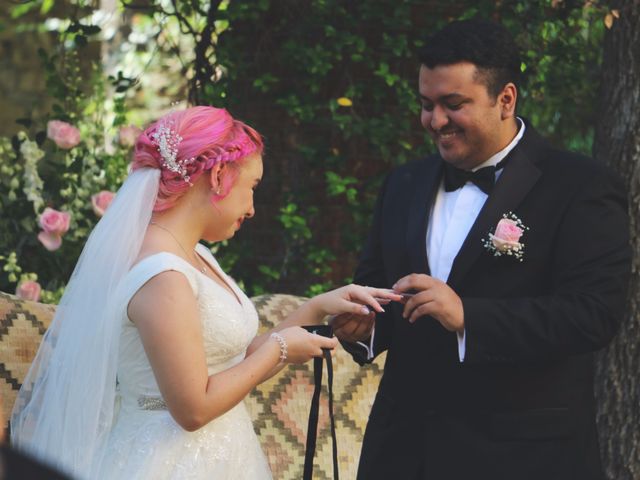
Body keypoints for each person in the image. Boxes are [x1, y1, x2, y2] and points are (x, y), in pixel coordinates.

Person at [10, 106, 399, 480]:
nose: (251, 209)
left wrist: (316, 308)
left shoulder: (195, 255)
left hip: (222, 456)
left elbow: (233, 363)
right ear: (217, 178)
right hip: (169, 463)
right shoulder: (161, 274)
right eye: (252, 187)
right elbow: (192, 408)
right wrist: (280, 348)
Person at [333, 19, 631, 480]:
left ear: (505, 99)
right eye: (426, 105)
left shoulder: (580, 186)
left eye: (453, 104)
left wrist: (469, 316)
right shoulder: (402, 184)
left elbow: (593, 315)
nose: (435, 121)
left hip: (522, 456)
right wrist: (364, 328)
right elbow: (381, 291)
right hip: (404, 450)